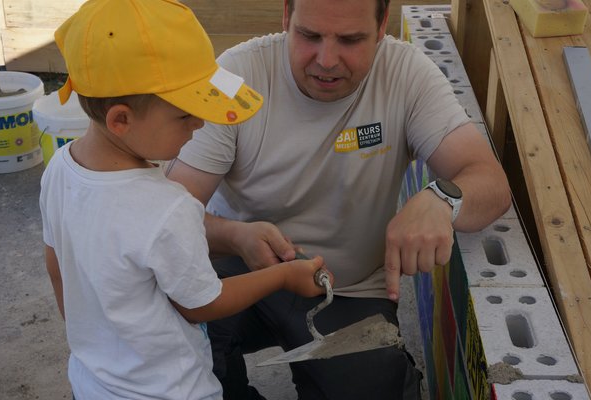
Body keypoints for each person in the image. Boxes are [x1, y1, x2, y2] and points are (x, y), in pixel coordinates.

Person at [165, 0, 512, 398]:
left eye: (350, 40)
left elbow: (491, 182)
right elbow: (167, 217)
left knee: (374, 386)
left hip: (349, 290)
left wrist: (441, 200)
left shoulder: (406, 74)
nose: (326, 60)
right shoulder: (236, 77)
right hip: (244, 272)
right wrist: (235, 236)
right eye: (309, 35)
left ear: (381, 27)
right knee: (157, 339)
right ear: (286, 17)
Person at [39, 0, 333, 398]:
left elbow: (56, 265)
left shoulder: (59, 170)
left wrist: (94, 343)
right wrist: (283, 276)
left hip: (92, 382)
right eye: (184, 114)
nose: (200, 122)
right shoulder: (166, 207)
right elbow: (201, 305)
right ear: (120, 120)